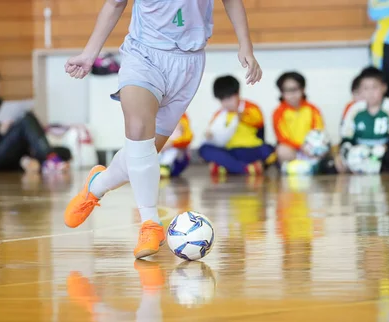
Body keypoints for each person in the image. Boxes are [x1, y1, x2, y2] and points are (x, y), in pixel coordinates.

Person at [62, 0, 262, 259]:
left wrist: (245, 44)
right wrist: (89, 55)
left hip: (188, 63)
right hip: (143, 54)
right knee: (138, 131)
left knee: (144, 153)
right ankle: (150, 224)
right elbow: (114, 4)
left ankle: (97, 185)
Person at [0, 64, 70, 174]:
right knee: (26, 119)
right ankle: (49, 160)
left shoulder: (2, 105)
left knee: (65, 151)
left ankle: (42, 159)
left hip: (13, 152)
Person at [199, 75, 275, 176]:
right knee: (204, 149)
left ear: (238, 93)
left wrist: (243, 117)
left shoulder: (250, 108)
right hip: (229, 150)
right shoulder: (220, 114)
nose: (226, 103)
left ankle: (227, 167)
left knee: (269, 151)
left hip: (250, 149)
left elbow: (259, 122)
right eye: (222, 100)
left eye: (229, 98)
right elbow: (213, 131)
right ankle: (245, 168)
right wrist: (210, 135)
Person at [272, 71, 325, 163]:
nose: (292, 94)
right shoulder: (278, 112)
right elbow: (282, 138)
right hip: (292, 151)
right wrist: (300, 147)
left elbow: (318, 131)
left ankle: (313, 165)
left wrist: (309, 146)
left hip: (311, 149)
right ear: (281, 92)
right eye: (287, 90)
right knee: (282, 150)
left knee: (323, 147)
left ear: (303, 89)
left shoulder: (313, 109)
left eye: (295, 89)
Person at [158, 113, 192, 178]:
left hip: (178, 157)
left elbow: (187, 138)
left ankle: (164, 167)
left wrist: (171, 144)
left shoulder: (182, 117)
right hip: (162, 151)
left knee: (172, 151)